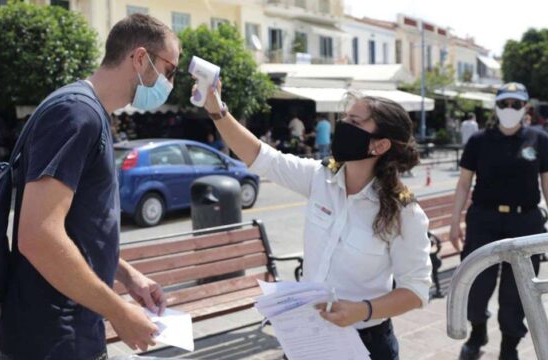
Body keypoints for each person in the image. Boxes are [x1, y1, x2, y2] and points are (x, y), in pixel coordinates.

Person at [198, 81, 432, 359]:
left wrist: (363, 309)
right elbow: (260, 156)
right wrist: (217, 111)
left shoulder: (403, 211)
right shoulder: (321, 178)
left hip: (364, 344)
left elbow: (416, 290)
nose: (342, 125)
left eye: (354, 121)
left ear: (380, 145)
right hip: (309, 336)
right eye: (345, 118)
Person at [0, 14, 180, 360]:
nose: (170, 83)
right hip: (53, 339)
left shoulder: (85, 110)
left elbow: (77, 231)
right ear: (140, 58)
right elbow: (38, 236)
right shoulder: (76, 114)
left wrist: (127, 276)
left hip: (63, 333)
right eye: (169, 70)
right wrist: (118, 311)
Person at [450, 82, 547, 360]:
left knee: (518, 292)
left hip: (525, 222)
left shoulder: (538, 139)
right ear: (496, 106)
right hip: (484, 220)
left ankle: (509, 347)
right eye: (504, 103)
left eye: (516, 104)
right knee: (476, 285)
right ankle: (477, 332)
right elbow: (463, 184)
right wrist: (455, 221)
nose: (509, 109)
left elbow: (547, 183)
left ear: (525, 107)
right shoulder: (479, 140)